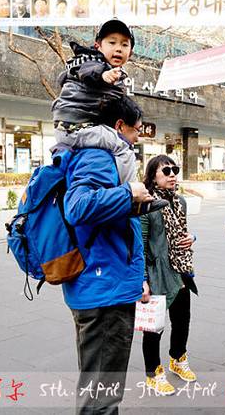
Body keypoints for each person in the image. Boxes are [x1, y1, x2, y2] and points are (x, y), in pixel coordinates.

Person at [61, 99, 153, 414]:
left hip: (105, 283)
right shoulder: (98, 156)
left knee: (100, 385)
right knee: (101, 394)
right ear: (118, 126)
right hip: (105, 290)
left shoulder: (104, 156)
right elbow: (78, 207)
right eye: (136, 130)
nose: (137, 138)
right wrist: (129, 193)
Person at [52, 19, 163, 215]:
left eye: (124, 44)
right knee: (123, 146)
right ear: (98, 46)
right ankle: (134, 197)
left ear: (131, 52)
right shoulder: (92, 63)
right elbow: (89, 71)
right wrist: (103, 75)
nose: (118, 48)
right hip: (75, 127)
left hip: (73, 127)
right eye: (112, 42)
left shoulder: (111, 75)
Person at [140, 155, 199, 395]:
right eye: (166, 171)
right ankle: (153, 374)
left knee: (182, 320)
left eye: (175, 169)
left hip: (181, 270)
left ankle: (178, 358)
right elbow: (141, 244)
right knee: (154, 327)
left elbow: (182, 233)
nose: (172, 174)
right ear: (153, 176)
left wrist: (192, 238)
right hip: (157, 273)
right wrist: (142, 280)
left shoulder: (179, 201)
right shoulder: (146, 204)